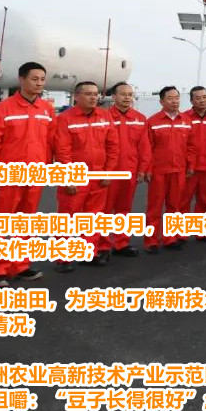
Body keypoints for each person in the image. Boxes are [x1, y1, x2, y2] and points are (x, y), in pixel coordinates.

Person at [0, 61, 54, 288]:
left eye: (42, 79)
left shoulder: (46, 109)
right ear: (21, 79)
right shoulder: (3, 109)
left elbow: (50, 142)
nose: (39, 83)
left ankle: (20, 265)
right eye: (34, 79)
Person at [52, 82, 119, 272]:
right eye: (88, 94)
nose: (93, 97)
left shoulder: (104, 116)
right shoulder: (65, 119)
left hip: (98, 176)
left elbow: (113, 146)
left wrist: (108, 172)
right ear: (76, 96)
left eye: (96, 94)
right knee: (67, 217)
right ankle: (63, 258)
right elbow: (62, 151)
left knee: (93, 217)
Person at [144, 86, 196, 254]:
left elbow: (191, 146)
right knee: (155, 207)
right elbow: (147, 148)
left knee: (175, 206)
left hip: (179, 170)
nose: (174, 101)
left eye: (176, 98)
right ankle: (151, 241)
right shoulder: (152, 122)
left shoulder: (186, 121)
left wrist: (190, 165)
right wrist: (147, 169)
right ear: (161, 101)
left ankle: (170, 238)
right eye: (170, 98)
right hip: (158, 171)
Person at [105, 82, 150, 257]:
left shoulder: (139, 118)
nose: (127, 98)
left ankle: (121, 243)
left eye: (130, 94)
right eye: (123, 94)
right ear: (113, 97)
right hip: (109, 171)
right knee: (104, 210)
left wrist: (143, 169)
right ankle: (102, 245)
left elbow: (144, 146)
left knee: (124, 209)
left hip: (130, 170)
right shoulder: (104, 117)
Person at [181, 87, 206, 237]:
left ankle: (202, 233)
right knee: (183, 201)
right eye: (198, 98)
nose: (202, 100)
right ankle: (180, 234)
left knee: (205, 201)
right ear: (191, 100)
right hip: (188, 168)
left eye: (204, 97)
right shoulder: (184, 118)